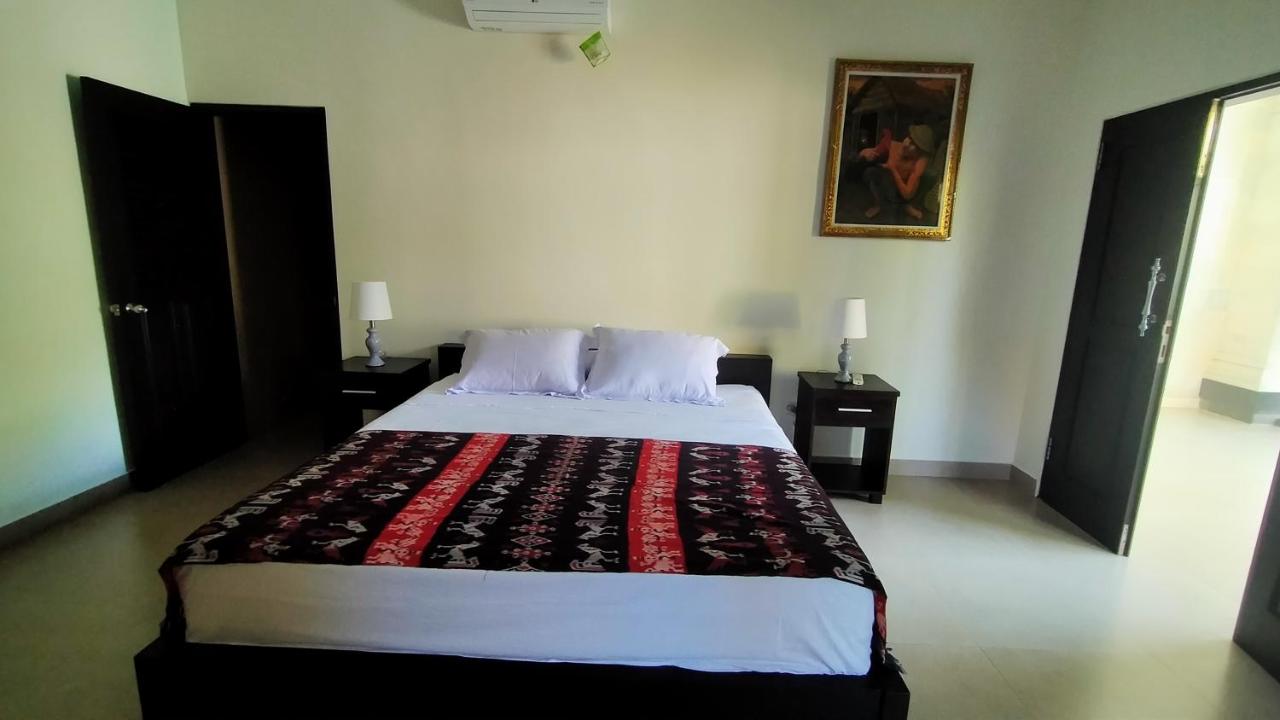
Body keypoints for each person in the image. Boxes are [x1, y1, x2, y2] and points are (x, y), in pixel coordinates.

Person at [859, 124, 936, 221]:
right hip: (889, 187)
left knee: (930, 175)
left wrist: (893, 169)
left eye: (914, 144)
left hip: (905, 191)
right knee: (870, 172)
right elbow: (872, 152)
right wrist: (863, 152)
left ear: (920, 151)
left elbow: (907, 194)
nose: (906, 144)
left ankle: (906, 206)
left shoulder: (921, 161)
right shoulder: (892, 146)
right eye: (909, 138)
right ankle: (881, 204)